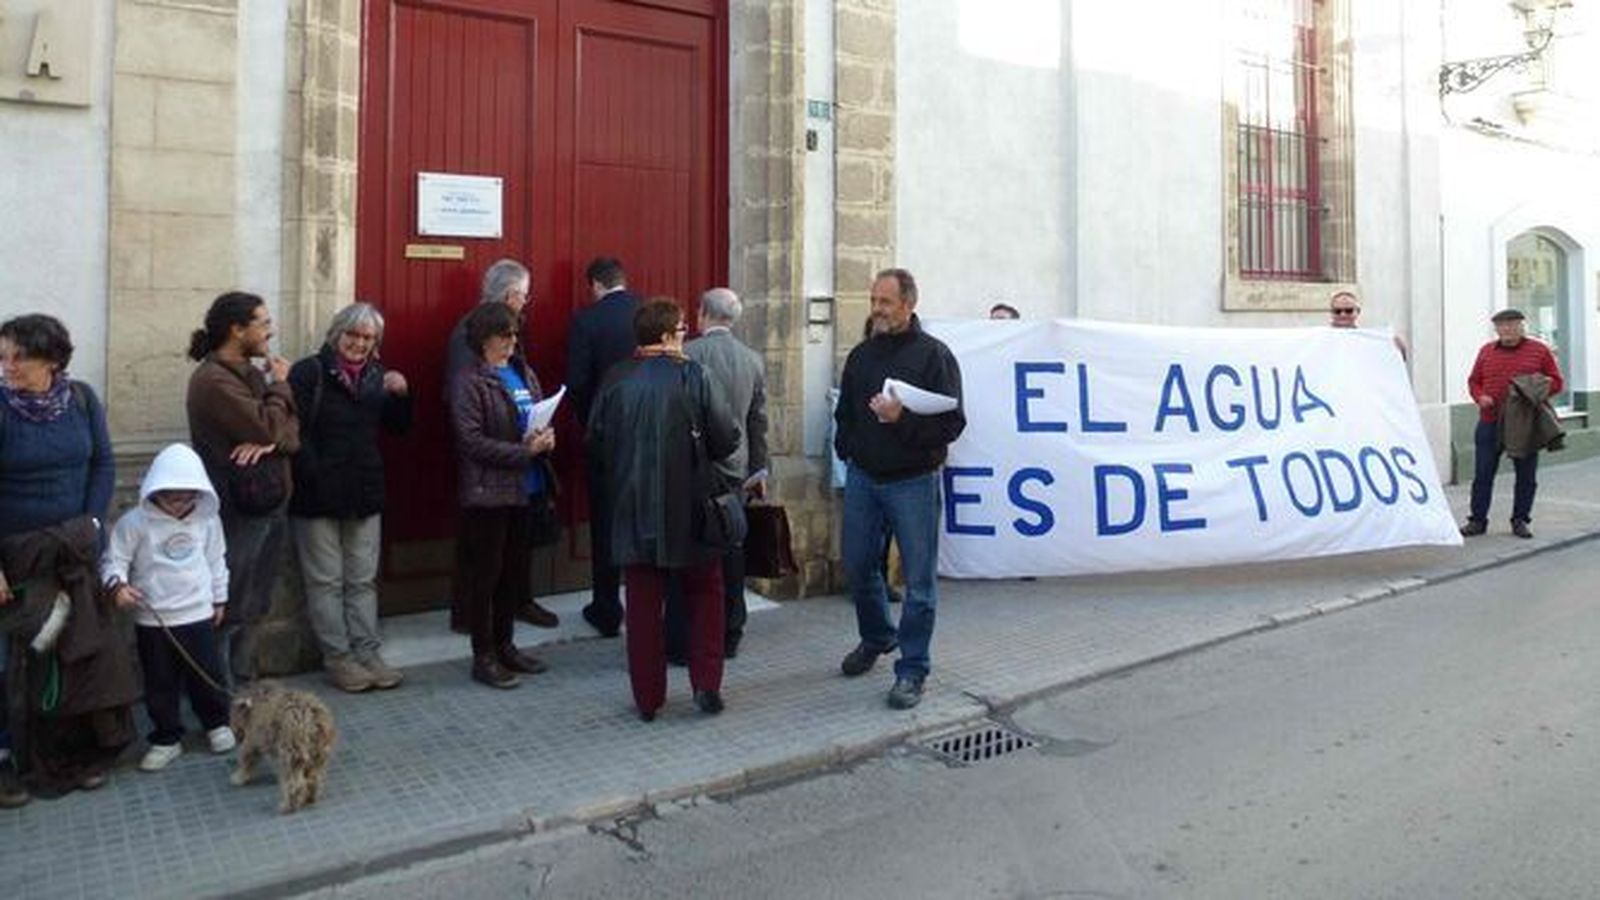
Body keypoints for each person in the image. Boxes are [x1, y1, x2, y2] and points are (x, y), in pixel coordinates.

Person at [587, 299, 739, 721]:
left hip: (633, 508)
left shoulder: (615, 379)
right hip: (691, 506)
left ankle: (648, 699)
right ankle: (706, 685)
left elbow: (596, 444)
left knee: (641, 609)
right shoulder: (695, 375)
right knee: (706, 596)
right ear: (671, 334)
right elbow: (726, 438)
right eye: (682, 329)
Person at [0, 313, 130, 805]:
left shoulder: (81, 401)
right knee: (14, 660)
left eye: (20, 357)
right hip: (17, 558)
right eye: (4, 355)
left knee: (77, 653)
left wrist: (92, 525)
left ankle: (73, 753)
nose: (8, 366)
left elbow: (103, 462)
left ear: (53, 360)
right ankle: (8, 759)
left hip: (73, 552)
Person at [834, 268, 966, 710]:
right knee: (856, 565)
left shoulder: (935, 356)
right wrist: (849, 447)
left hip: (913, 481)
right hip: (864, 478)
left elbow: (952, 424)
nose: (876, 310)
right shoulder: (861, 356)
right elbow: (846, 414)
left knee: (919, 582)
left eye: (885, 302)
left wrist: (901, 420)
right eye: (873, 300)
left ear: (908, 304)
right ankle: (877, 637)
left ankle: (912, 669)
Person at [289, 303, 414, 693]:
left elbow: (398, 428)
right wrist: (315, 474)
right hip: (317, 494)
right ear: (336, 333)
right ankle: (339, 658)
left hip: (364, 490)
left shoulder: (377, 375)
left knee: (362, 580)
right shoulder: (309, 372)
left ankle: (368, 653)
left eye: (367, 338)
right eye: (352, 335)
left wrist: (403, 394)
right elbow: (295, 433)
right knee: (326, 581)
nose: (359, 343)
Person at [187, 292, 300, 684]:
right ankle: (218, 698)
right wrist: (280, 389)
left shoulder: (251, 373)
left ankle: (243, 686)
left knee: (257, 602)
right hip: (239, 508)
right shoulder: (214, 380)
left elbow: (289, 435)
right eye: (263, 323)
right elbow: (273, 425)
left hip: (269, 500)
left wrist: (270, 437)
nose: (270, 331)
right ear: (237, 329)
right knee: (231, 603)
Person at [102, 443, 237, 771]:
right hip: (154, 618)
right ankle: (166, 735)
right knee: (160, 680)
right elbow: (114, 559)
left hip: (197, 612)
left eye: (186, 498)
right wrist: (117, 585)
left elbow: (216, 559)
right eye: (171, 498)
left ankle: (216, 721)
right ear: (155, 492)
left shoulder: (207, 520)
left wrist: (219, 598)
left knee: (206, 672)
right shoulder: (135, 523)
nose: (179, 505)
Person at [450, 302, 557, 689]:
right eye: (503, 335)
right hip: (488, 492)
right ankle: (483, 654)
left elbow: (535, 417)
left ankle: (506, 644)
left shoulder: (521, 372)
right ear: (483, 339)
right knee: (486, 577)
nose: (511, 342)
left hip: (525, 487)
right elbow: (471, 441)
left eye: (515, 334)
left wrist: (545, 438)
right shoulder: (470, 381)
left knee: (513, 574)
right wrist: (523, 452)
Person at [669, 288, 769, 660]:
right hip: (737, 469)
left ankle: (691, 628)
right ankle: (731, 627)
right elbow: (758, 421)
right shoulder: (752, 360)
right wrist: (759, 468)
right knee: (731, 549)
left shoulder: (688, 355)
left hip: (694, 469)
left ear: (702, 315)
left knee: (690, 549)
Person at [566, 257, 641, 637]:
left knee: (606, 523)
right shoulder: (647, 312)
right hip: (651, 435)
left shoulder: (586, 320)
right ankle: (650, 605)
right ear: (622, 281)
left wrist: (588, 421)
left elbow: (577, 383)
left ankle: (607, 609)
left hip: (607, 440)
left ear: (594, 284)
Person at [1461, 308, 1564, 539]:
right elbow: (1474, 381)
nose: (1507, 329)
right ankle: (1477, 521)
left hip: (1524, 423)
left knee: (1526, 475)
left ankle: (1520, 520)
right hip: (1490, 421)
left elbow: (1557, 383)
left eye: (1512, 324)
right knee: (1483, 474)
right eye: (1502, 325)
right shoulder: (1486, 351)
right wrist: (1480, 397)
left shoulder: (1539, 350)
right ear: (1496, 329)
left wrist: (1532, 390)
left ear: (1522, 326)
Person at [1329, 290, 1409, 363]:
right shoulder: (1321, 339)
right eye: (1337, 311)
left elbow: (1389, 363)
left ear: (1358, 312)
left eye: (1349, 311)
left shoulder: (1370, 340)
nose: (1343, 315)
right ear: (1331, 313)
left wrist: (1397, 350)